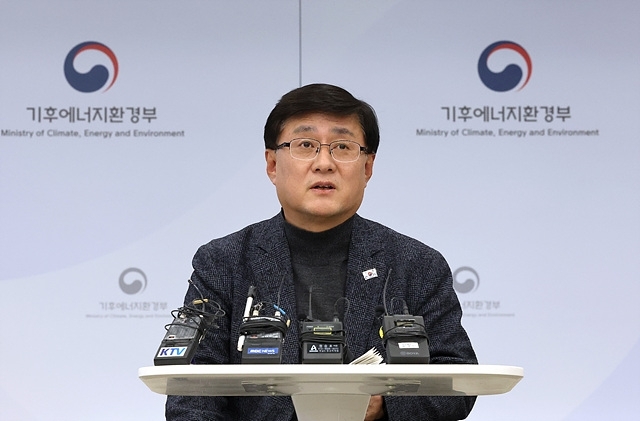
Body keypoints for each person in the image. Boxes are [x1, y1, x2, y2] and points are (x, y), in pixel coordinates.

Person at [165, 83, 477, 420]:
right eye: (305, 145)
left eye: (342, 146)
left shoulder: (417, 264)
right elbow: (191, 394)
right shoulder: (223, 261)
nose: (324, 163)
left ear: (367, 167)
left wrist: (385, 404)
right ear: (272, 164)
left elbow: (458, 383)